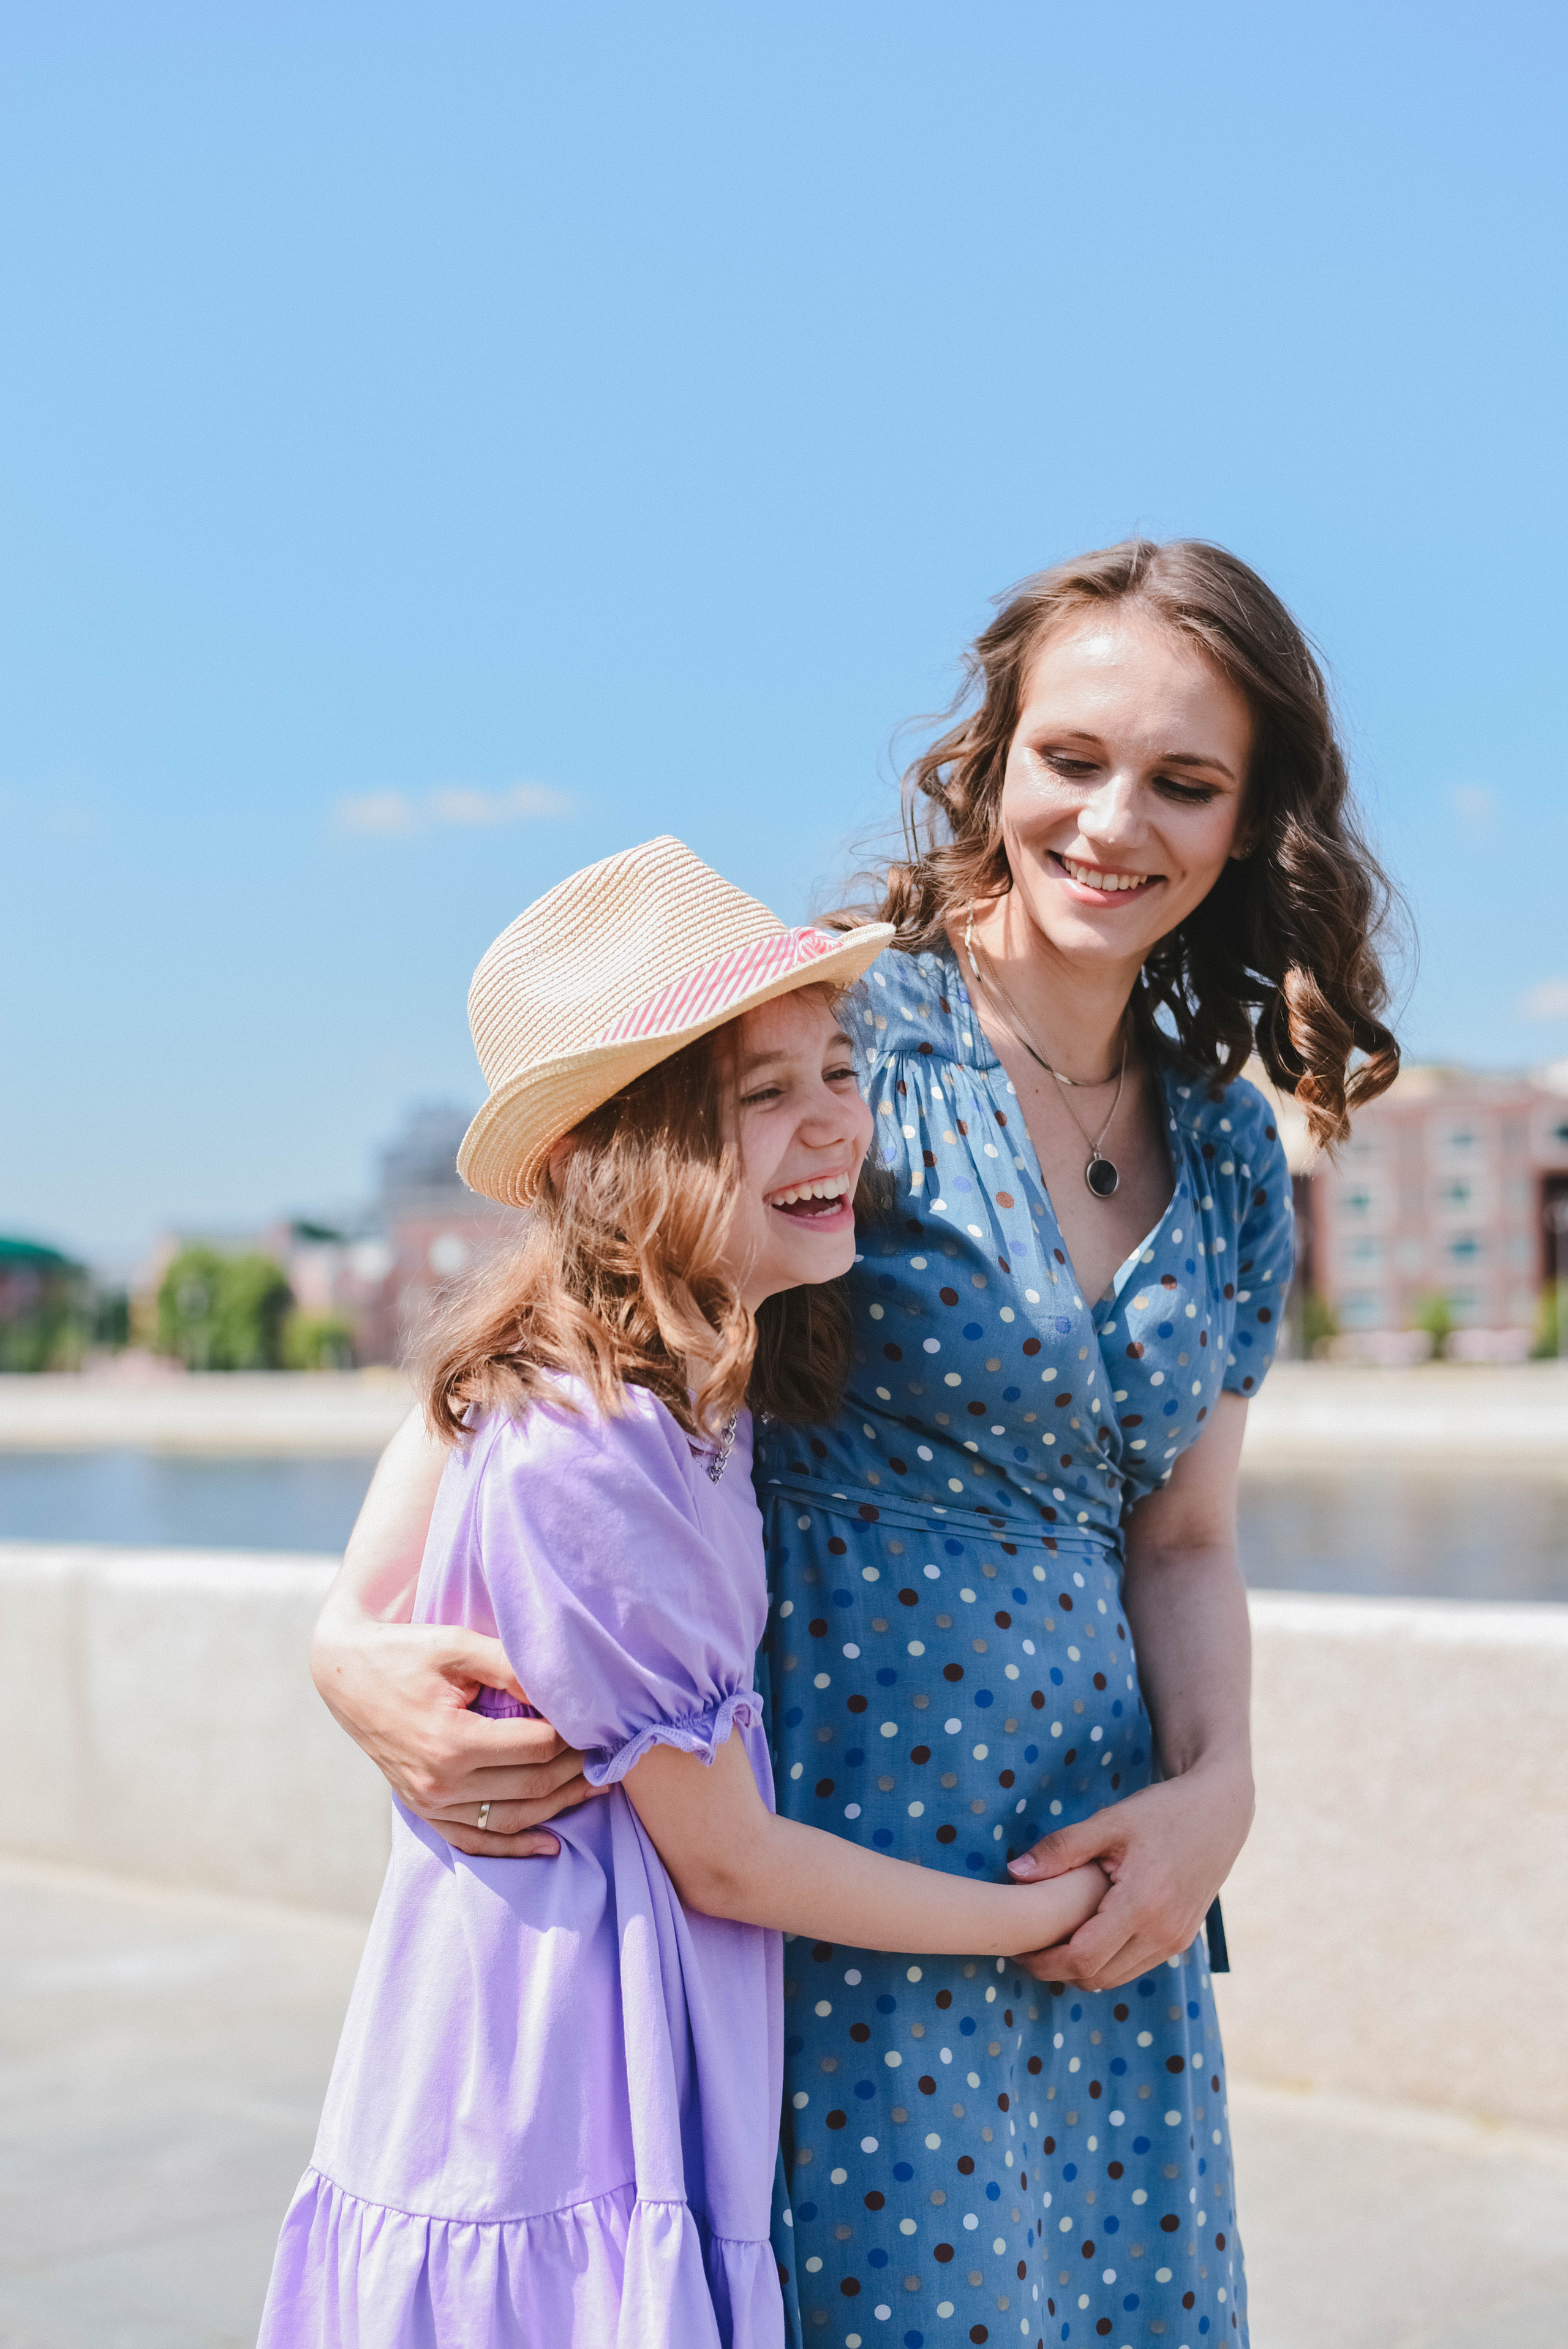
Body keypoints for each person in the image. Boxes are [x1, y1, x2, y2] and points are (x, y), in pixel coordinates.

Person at [312, 539, 1400, 2348]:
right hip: (828, 1861)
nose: (1112, 820)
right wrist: (347, 1641)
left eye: (1184, 782)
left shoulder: (1223, 1152)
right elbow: (555, 1311)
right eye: (1071, 757)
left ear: (1248, 819)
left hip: (1099, 1881)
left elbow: (1185, 1540)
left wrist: (1219, 1791)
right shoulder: (827, 1030)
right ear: (992, 758)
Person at [260, 835, 1113, 2349]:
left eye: (834, 1073)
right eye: (753, 1100)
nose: (827, 1130)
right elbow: (722, 1858)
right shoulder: (596, 1445)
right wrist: (1025, 1924)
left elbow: (369, 1593)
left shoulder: (635, 1390)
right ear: (603, 1169)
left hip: (551, 2056)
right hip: (548, 2091)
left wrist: (344, 1647)